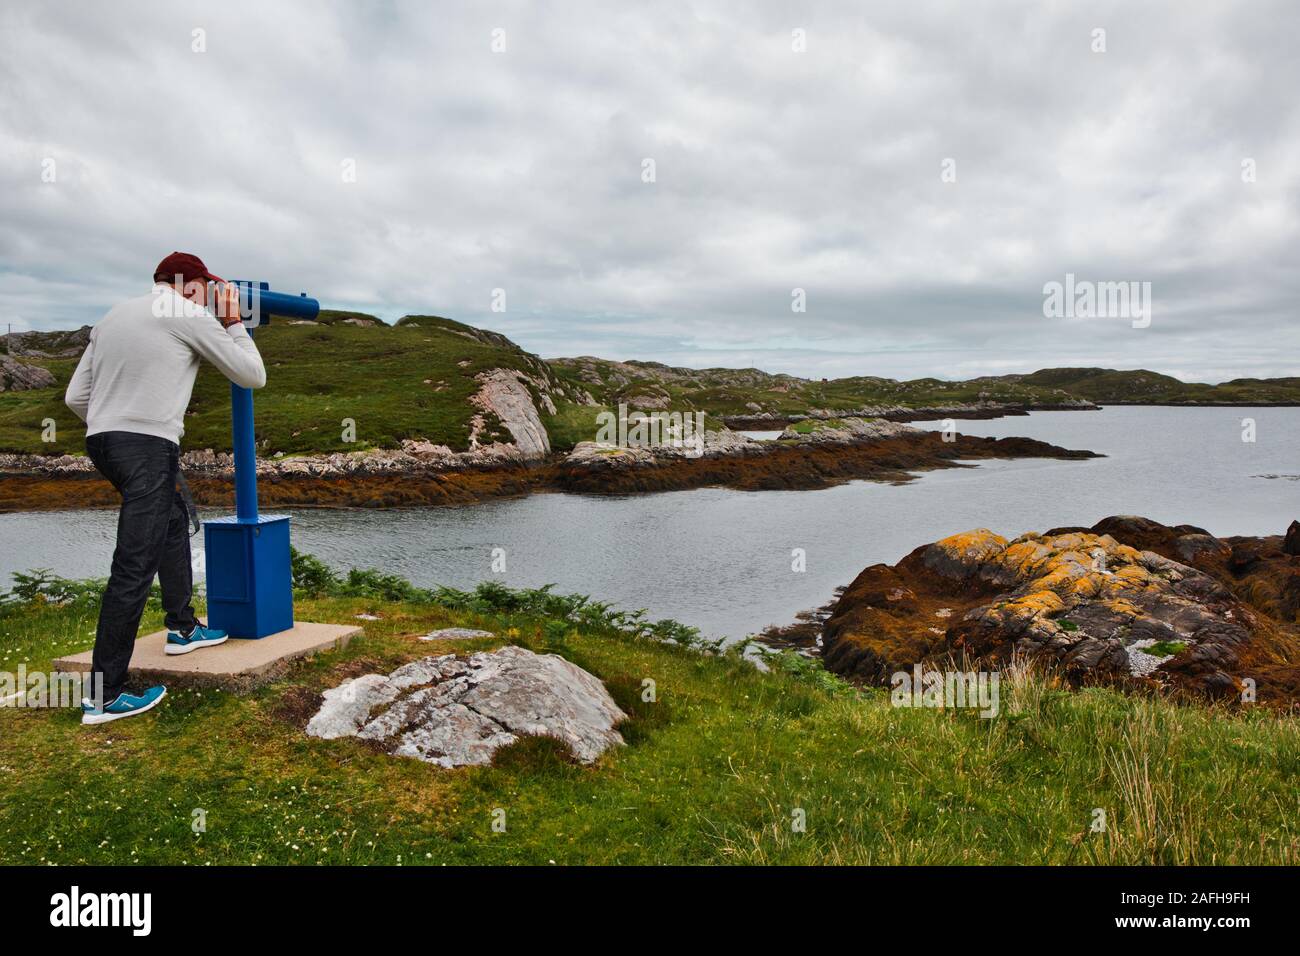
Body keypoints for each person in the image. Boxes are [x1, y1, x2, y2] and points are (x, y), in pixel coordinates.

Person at [65, 252, 267, 725]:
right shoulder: (189, 313)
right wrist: (234, 320)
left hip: (104, 442)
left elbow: (76, 397)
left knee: (173, 522)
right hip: (147, 447)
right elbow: (252, 374)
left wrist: (117, 424)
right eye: (208, 288)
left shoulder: (113, 315)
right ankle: (104, 694)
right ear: (190, 285)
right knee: (133, 565)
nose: (212, 296)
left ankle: (182, 627)